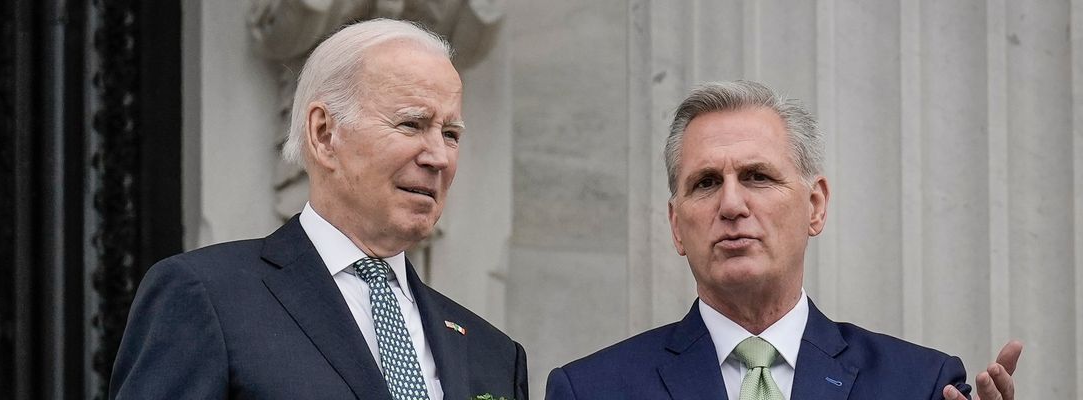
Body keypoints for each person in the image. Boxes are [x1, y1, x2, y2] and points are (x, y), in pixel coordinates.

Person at [110, 18, 528, 400]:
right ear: (324, 133)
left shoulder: (493, 354)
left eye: (451, 133)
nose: (439, 156)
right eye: (411, 124)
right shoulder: (206, 297)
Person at [545, 80, 1020, 400]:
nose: (731, 205)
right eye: (706, 183)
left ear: (815, 206)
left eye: (757, 177)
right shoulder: (591, 389)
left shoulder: (918, 384)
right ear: (675, 225)